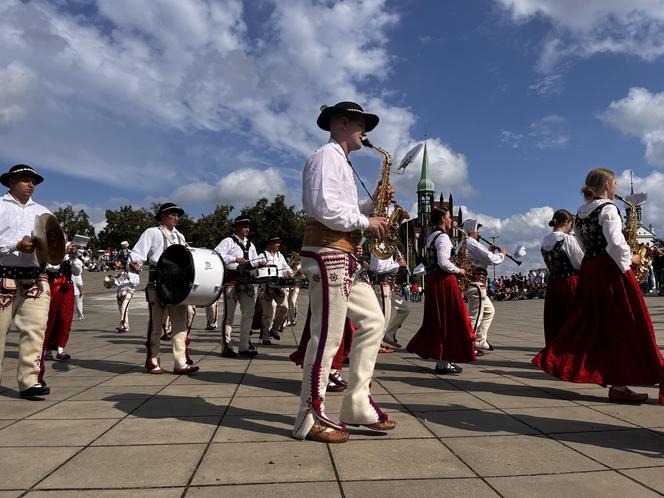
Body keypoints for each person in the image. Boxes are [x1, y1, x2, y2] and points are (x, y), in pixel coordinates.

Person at [294, 101, 395, 444]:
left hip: (344, 253)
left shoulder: (342, 162)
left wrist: (372, 205)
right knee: (328, 336)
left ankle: (357, 404)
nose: (364, 132)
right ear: (341, 123)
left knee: (373, 322)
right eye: (360, 124)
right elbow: (323, 208)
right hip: (327, 252)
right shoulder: (325, 157)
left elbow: (344, 209)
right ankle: (310, 416)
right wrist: (367, 221)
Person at [533, 168, 664, 404]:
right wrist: (630, 261)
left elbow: (582, 245)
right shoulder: (608, 208)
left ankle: (618, 383)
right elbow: (615, 243)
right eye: (614, 183)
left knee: (600, 326)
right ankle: (632, 377)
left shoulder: (581, 213)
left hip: (591, 270)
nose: (616, 188)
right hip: (610, 270)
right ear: (605, 184)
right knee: (632, 322)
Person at [0, 164, 53, 398]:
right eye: (25, 179)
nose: (31, 184)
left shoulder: (43, 212)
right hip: (3, 274)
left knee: (35, 330)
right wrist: (15, 245)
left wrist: (59, 250)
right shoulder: (0, 206)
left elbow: (53, 247)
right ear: (11, 182)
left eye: (33, 181)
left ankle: (30, 381)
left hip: (34, 277)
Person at [129, 202, 199, 375]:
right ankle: (152, 360)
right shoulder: (152, 232)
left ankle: (180, 363)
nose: (176, 217)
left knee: (180, 323)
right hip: (157, 283)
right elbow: (138, 253)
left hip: (177, 286)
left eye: (177, 215)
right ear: (162, 216)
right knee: (156, 324)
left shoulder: (181, 237)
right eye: (172, 214)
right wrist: (135, 263)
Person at [406, 207, 476, 374]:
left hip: (433, 281)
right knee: (451, 320)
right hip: (444, 281)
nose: (451, 221)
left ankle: (442, 361)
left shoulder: (431, 236)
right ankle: (444, 362)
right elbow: (443, 262)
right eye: (449, 217)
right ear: (443, 219)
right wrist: (459, 270)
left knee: (439, 320)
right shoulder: (443, 237)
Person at [215, 217, 262, 358]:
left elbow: (253, 262)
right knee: (229, 316)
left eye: (248, 226)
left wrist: (260, 263)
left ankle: (244, 346)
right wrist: (234, 259)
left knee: (248, 314)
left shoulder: (251, 245)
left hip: (247, 281)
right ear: (236, 227)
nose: (247, 229)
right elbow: (216, 254)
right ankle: (227, 347)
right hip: (232, 280)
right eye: (244, 226)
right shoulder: (228, 241)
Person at [540, 209, 584, 345]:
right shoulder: (567, 239)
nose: (571, 228)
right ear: (566, 222)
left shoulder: (545, 240)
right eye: (571, 224)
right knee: (573, 318)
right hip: (569, 282)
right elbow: (580, 263)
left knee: (555, 319)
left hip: (553, 284)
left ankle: (555, 349)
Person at [462, 219, 506, 352]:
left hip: (472, 283)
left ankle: (480, 340)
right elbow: (492, 260)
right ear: (472, 230)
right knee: (475, 316)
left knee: (489, 311)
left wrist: (488, 251)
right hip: (476, 284)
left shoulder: (464, 243)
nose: (478, 232)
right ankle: (468, 344)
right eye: (477, 229)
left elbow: (480, 260)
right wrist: (501, 254)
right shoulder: (472, 243)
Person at [43, 242, 83, 361]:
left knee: (65, 318)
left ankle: (61, 348)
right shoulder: (49, 251)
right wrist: (63, 253)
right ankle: (47, 350)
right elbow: (50, 266)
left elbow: (76, 272)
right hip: (53, 286)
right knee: (51, 318)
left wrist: (74, 256)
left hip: (67, 288)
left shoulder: (70, 256)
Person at [370, 251, 410, 351]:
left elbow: (388, 267)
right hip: (381, 284)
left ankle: (388, 335)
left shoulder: (388, 248)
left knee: (404, 309)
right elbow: (377, 268)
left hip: (390, 285)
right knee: (384, 316)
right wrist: (397, 264)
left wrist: (397, 263)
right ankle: (378, 344)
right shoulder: (377, 248)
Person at [257, 235, 292, 345]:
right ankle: (265, 337)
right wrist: (260, 264)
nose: (278, 245)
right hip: (266, 286)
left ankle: (274, 329)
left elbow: (285, 267)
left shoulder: (279, 255)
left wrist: (289, 271)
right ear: (269, 244)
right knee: (267, 313)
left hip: (278, 286)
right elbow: (256, 266)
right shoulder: (262, 255)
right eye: (276, 243)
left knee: (285, 307)